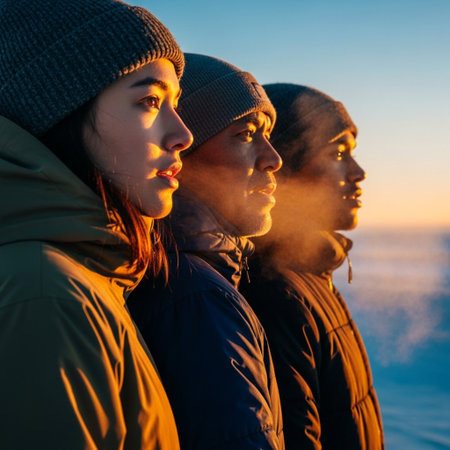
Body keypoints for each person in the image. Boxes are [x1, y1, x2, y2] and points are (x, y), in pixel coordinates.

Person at [0, 0, 193, 448]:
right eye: (149, 101)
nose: (183, 134)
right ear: (57, 111)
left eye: (175, 104)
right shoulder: (45, 293)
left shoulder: (88, 275)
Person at [128, 53, 285, 449]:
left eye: (268, 135)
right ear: (185, 155)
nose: (273, 158)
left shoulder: (197, 276)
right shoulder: (195, 296)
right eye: (246, 134)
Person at [240, 83, 384, 449]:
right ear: (285, 166)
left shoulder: (313, 275)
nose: (359, 173)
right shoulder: (274, 293)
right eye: (338, 154)